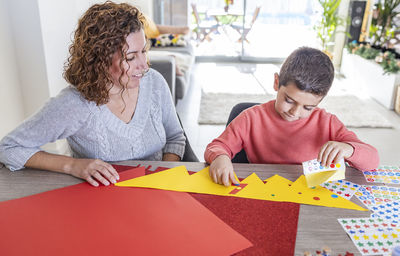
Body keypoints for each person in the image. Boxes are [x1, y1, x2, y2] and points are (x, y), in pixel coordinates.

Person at [0, 1, 186, 187]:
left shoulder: (154, 82)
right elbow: (8, 148)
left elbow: (175, 138)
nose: (144, 65)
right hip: (103, 204)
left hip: (156, 194)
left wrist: (163, 178)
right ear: (101, 60)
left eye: (144, 51)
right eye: (130, 57)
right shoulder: (74, 104)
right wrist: (72, 165)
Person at [204, 47, 379, 186]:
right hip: (263, 191)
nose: (295, 112)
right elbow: (217, 146)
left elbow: (373, 160)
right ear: (276, 83)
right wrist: (221, 158)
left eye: (308, 107)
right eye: (289, 100)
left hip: (309, 198)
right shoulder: (251, 118)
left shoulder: (327, 123)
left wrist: (349, 149)